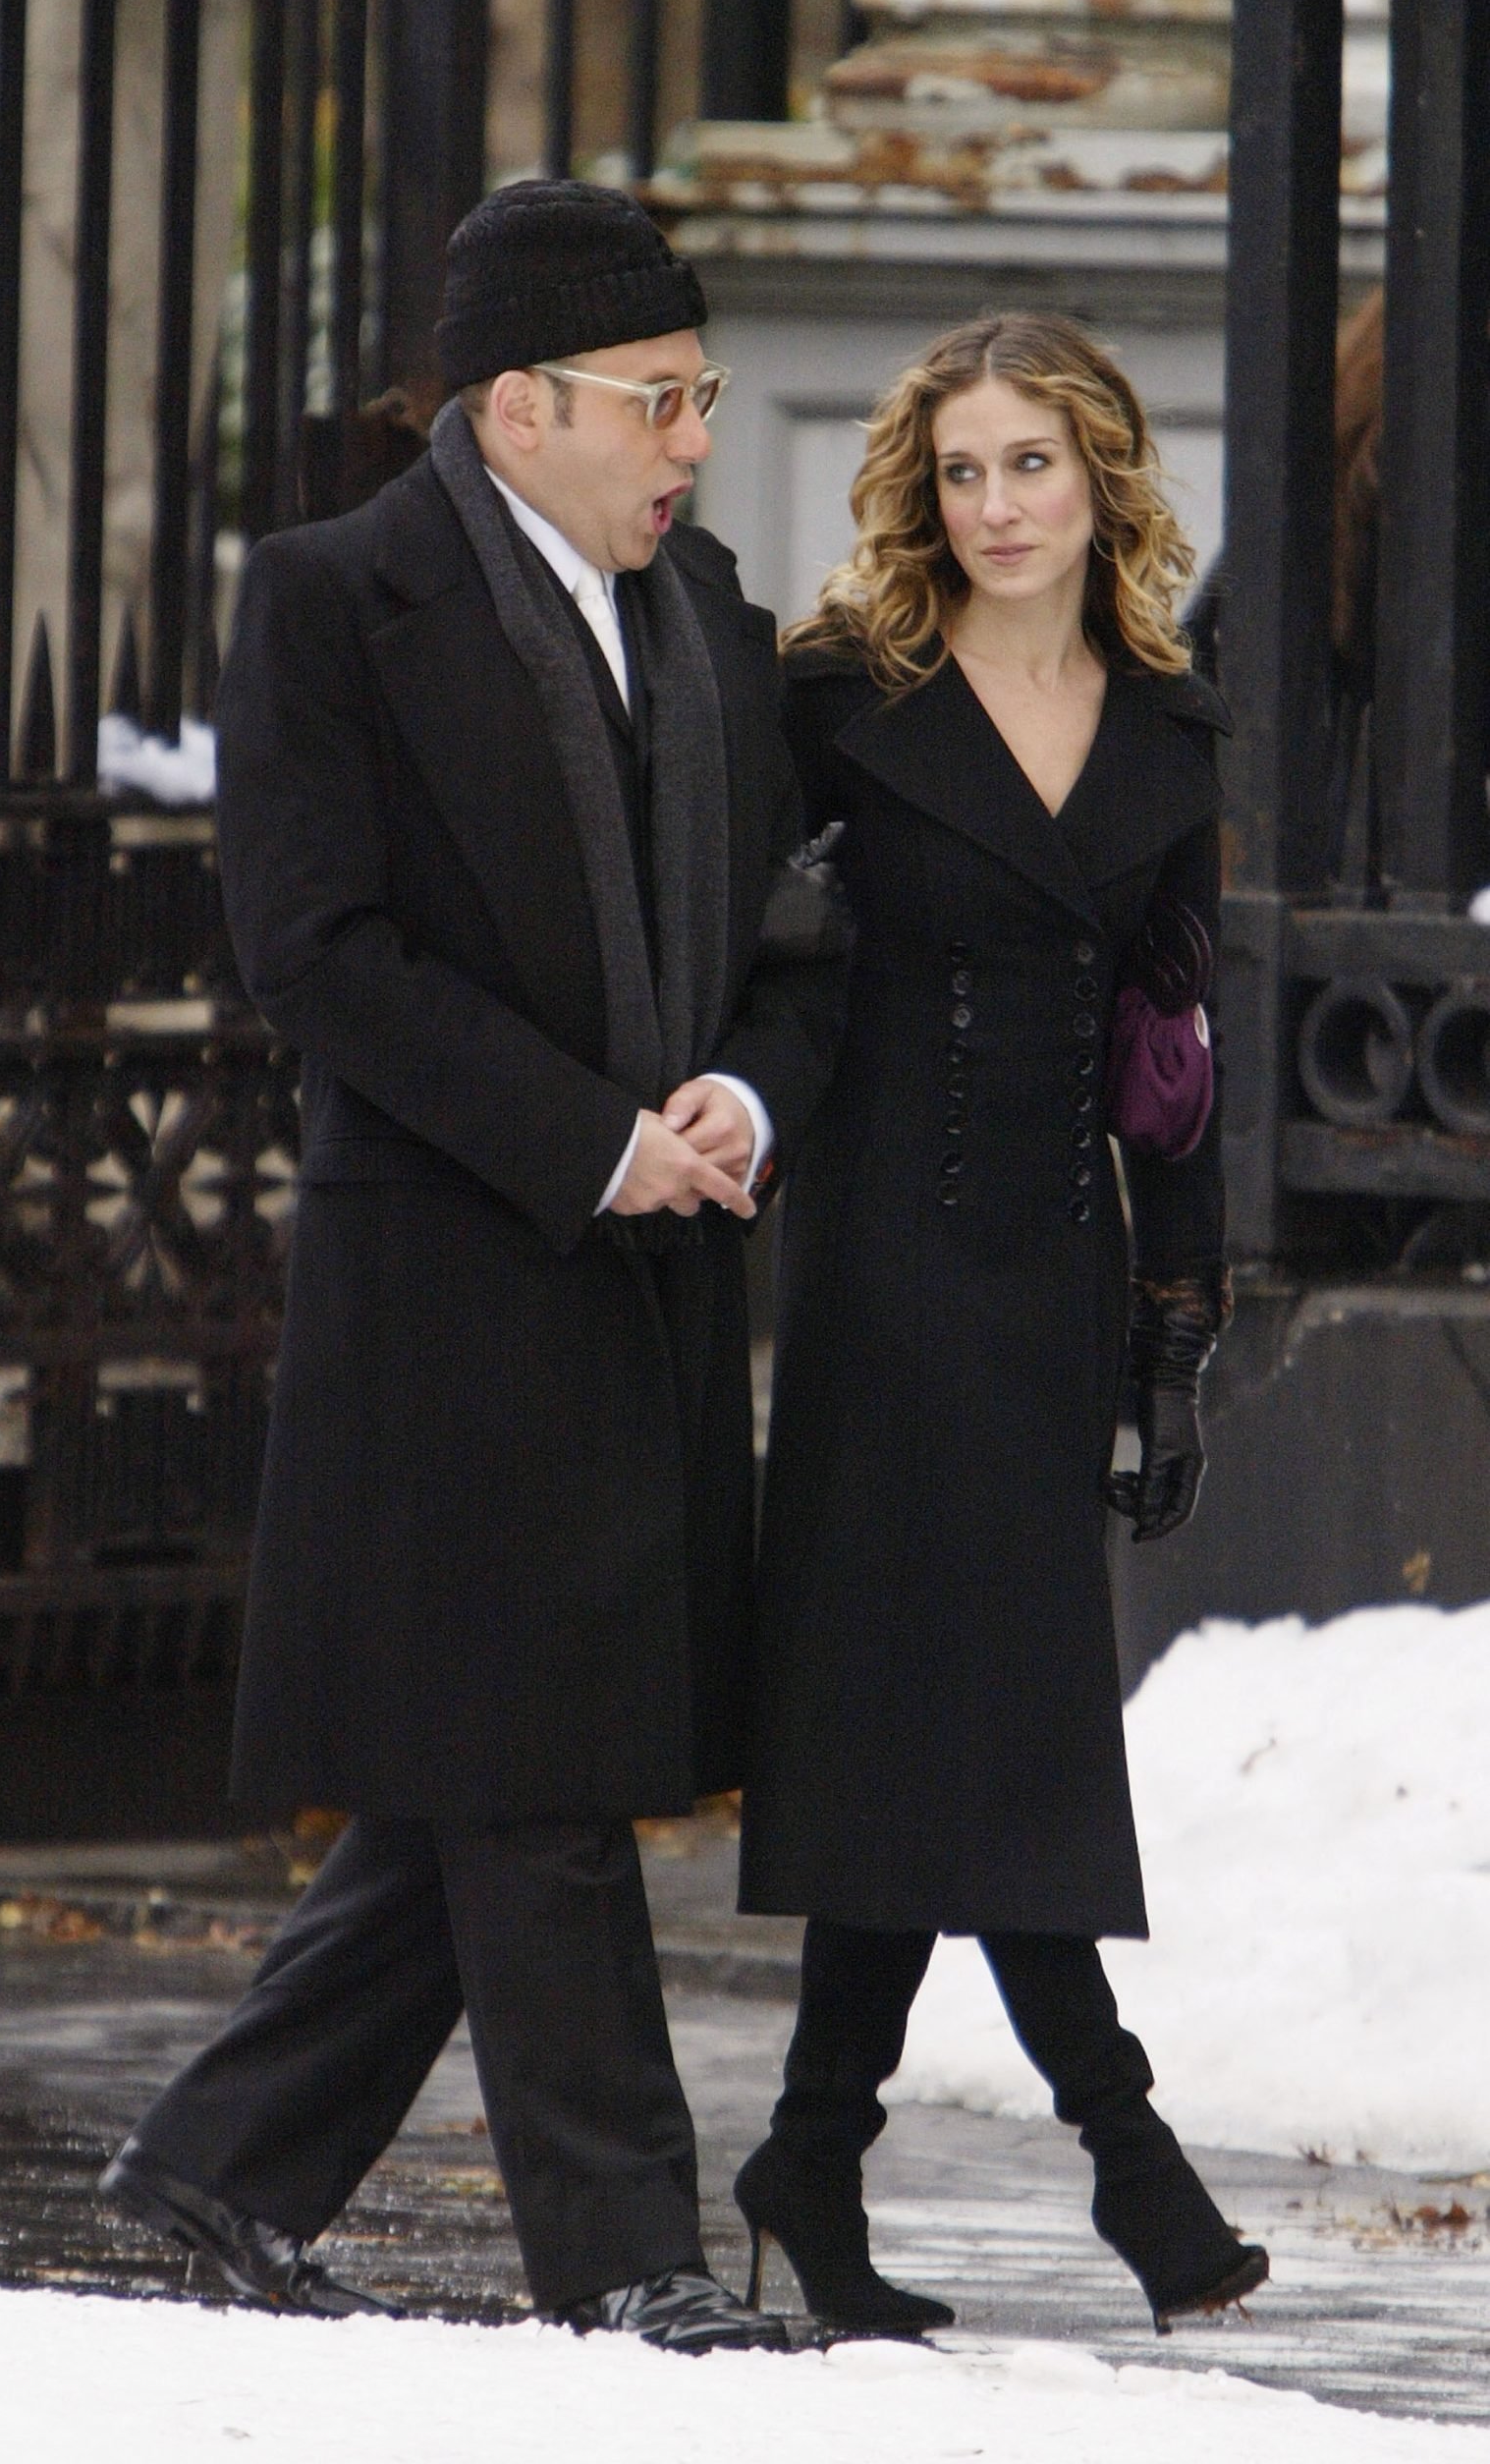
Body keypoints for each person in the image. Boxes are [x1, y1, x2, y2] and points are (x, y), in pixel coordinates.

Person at [98, 181, 846, 2356]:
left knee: (478, 1764)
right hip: (450, 1276)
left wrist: (742, 1100)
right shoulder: (332, 601)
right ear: (519, 406)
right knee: (538, 1777)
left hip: (656, 1273)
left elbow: (804, 927)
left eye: (703, 397)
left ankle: (220, 2160)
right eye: (661, 401)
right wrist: (584, 1134)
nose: (696, 441)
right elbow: (313, 951)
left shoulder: (696, 601)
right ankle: (628, 2258)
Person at [733, 313, 1269, 2339]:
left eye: (1029, 464)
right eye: (962, 470)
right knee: (983, 1726)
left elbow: (1177, 1061)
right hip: (874, 1272)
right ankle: (1140, 2172)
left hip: (1049, 1278)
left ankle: (809, 2144)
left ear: (1100, 477)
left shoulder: (1171, 735)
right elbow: (739, 943)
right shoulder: (839, 704)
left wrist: (1173, 1335)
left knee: (943, 1727)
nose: (995, 505)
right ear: (924, 493)